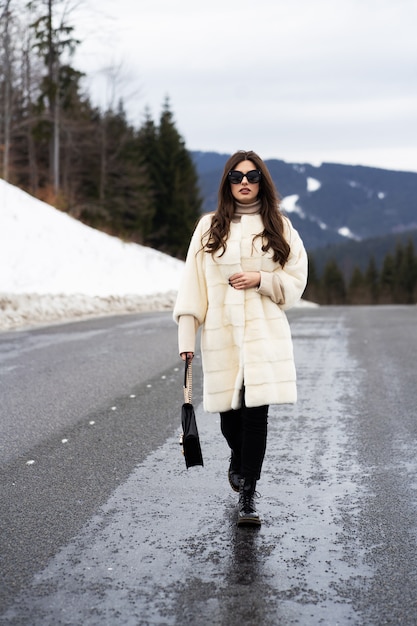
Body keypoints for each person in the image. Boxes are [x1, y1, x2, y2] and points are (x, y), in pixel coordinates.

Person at [174, 150, 308, 526]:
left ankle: (248, 493)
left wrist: (261, 279)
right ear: (227, 183)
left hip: (265, 335)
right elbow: (192, 286)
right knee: (229, 418)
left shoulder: (279, 224)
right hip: (222, 336)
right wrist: (187, 335)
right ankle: (240, 458)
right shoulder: (209, 226)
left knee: (256, 414)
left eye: (251, 176)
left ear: (262, 182)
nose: (244, 182)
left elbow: (296, 279)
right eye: (236, 177)